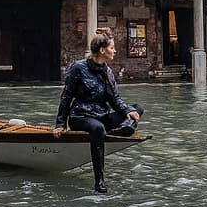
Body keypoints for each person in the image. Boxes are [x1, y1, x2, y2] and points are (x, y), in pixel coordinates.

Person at [54, 29, 144, 193]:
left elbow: (115, 100)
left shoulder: (108, 72)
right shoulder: (78, 68)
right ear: (102, 50)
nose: (115, 51)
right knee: (98, 128)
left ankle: (121, 129)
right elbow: (66, 96)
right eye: (112, 48)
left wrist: (127, 111)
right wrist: (60, 123)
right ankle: (99, 182)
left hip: (102, 116)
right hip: (81, 117)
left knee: (137, 108)